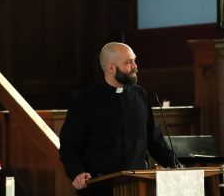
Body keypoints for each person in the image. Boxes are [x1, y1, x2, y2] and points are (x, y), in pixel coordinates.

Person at [59, 42, 176, 195]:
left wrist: (176, 166)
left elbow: (154, 140)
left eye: (134, 60)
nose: (135, 66)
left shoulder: (139, 95)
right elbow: (69, 145)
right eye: (128, 62)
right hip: (100, 186)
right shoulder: (84, 100)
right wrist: (76, 172)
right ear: (111, 68)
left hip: (138, 185)